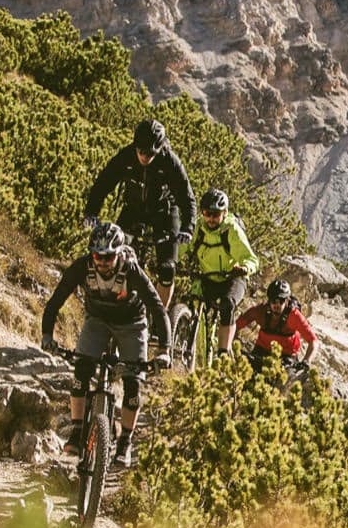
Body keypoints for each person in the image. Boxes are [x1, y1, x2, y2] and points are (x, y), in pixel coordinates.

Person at [41, 221, 171, 469]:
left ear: (119, 253)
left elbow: (156, 307)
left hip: (132, 323)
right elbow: (56, 299)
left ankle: (125, 442)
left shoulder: (131, 270)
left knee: (133, 382)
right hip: (97, 320)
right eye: (97, 256)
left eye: (108, 257)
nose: (102, 262)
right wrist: (47, 335)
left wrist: (164, 350)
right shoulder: (83, 266)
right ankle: (78, 431)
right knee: (81, 371)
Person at [82, 117, 195, 314]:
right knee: (113, 253)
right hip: (133, 210)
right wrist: (91, 212)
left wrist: (187, 227)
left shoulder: (170, 161)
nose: (144, 156)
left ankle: (159, 318)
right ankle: (115, 304)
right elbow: (103, 183)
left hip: (164, 212)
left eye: (150, 153)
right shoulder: (126, 156)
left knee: (167, 268)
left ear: (159, 148)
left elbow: (187, 197)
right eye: (141, 151)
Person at [183, 188, 260, 357]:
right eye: (207, 213)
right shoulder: (198, 228)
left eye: (215, 214)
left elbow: (251, 259)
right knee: (191, 299)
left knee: (227, 304)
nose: (211, 218)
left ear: (224, 213)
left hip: (232, 277)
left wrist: (244, 268)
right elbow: (183, 248)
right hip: (208, 276)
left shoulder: (230, 230)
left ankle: (223, 354)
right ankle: (185, 335)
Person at [237, 278, 316, 370]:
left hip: (286, 357)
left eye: (281, 300)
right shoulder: (260, 311)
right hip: (261, 352)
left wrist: (306, 361)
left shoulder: (294, 316)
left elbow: (313, 341)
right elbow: (235, 325)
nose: (277, 305)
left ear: (287, 301)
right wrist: (231, 347)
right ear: (269, 300)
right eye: (274, 300)